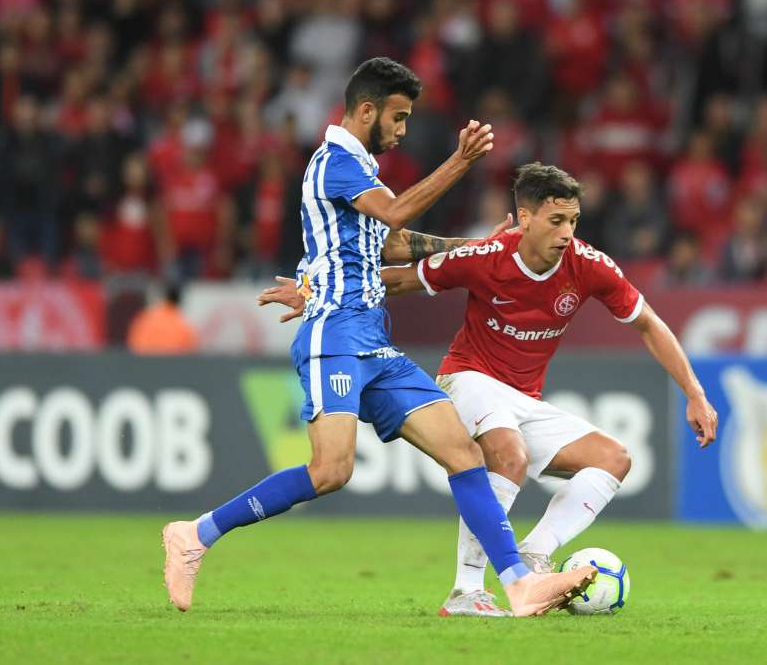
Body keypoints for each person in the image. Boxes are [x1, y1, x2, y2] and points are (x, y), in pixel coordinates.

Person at [161, 58, 596, 618]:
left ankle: (513, 584)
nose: (402, 129)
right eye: (398, 116)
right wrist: (460, 160)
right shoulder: (335, 161)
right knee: (331, 471)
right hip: (334, 334)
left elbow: (391, 244)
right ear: (366, 110)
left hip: (374, 341)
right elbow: (393, 214)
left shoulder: (359, 167)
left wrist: (472, 248)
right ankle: (195, 535)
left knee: (463, 452)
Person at [260, 162, 718, 617]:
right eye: (556, 220)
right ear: (525, 218)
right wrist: (315, 291)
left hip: (523, 399)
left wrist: (694, 394)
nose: (567, 233)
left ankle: (534, 557)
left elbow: (649, 324)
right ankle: (466, 590)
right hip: (468, 378)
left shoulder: (589, 265)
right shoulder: (488, 257)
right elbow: (400, 279)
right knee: (508, 454)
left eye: (573, 221)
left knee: (614, 459)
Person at [126, 284, 199, 354]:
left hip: (144, 364)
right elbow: (191, 353)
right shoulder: (182, 326)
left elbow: (133, 345)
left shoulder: (144, 319)